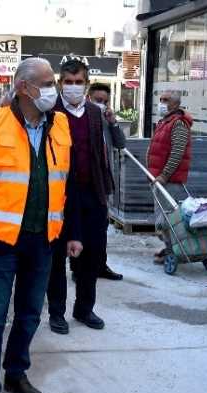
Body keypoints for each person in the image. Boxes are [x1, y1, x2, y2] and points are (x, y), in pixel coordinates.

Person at [0, 57, 82, 393]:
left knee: (30, 314)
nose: (54, 89)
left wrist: (73, 231)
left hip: (43, 241)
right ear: (24, 88)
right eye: (46, 83)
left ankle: (15, 373)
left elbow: (67, 181)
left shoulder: (60, 124)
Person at [46, 60, 123, 335]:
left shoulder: (94, 113)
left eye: (79, 83)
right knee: (56, 256)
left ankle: (84, 308)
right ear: (59, 84)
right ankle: (57, 312)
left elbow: (116, 145)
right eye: (69, 82)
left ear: (87, 84)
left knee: (93, 255)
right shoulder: (49, 112)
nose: (74, 87)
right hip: (58, 195)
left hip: (93, 192)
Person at [68, 81, 127, 283]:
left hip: (102, 182)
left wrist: (113, 122)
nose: (101, 104)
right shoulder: (81, 120)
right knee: (80, 227)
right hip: (81, 182)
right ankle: (77, 267)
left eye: (105, 101)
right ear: (88, 98)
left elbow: (121, 143)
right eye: (97, 100)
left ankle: (99, 265)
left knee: (100, 229)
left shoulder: (106, 121)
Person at [147, 90, 192, 263]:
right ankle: (169, 248)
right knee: (163, 218)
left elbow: (177, 152)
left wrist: (164, 175)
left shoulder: (179, 124)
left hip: (169, 181)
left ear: (176, 103)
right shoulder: (165, 122)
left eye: (166, 100)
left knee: (168, 219)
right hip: (158, 180)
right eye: (161, 99)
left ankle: (174, 251)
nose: (162, 102)